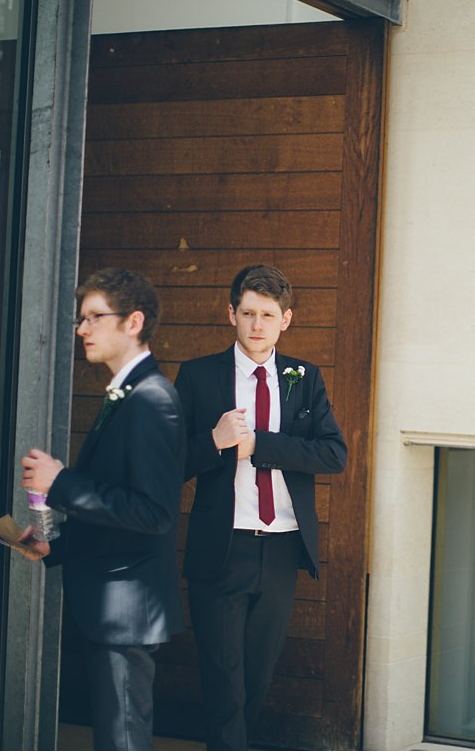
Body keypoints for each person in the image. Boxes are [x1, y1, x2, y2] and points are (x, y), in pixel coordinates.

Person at [175, 263, 346, 750]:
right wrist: (214, 441)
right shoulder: (198, 376)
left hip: (281, 551)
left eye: (267, 315)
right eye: (247, 312)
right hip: (222, 546)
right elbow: (166, 463)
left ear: (285, 319)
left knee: (257, 677)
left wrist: (260, 445)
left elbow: (334, 453)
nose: (256, 325)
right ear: (231, 313)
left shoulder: (304, 378)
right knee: (223, 681)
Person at [18, 268, 185, 750]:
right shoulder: (127, 394)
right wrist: (57, 544)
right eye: (80, 318)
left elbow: (153, 513)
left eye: (94, 317)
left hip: (127, 608)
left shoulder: (152, 400)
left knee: (123, 740)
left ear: (133, 322)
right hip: (112, 604)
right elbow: (121, 504)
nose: (81, 329)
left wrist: (60, 482)